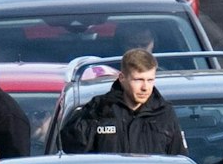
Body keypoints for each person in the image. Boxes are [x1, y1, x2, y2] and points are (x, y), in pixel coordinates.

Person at [57, 47, 186, 155]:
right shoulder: (99, 110)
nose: (145, 87)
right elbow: (70, 155)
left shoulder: (164, 113)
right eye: (138, 80)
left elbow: (179, 161)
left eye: (150, 80)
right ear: (122, 78)